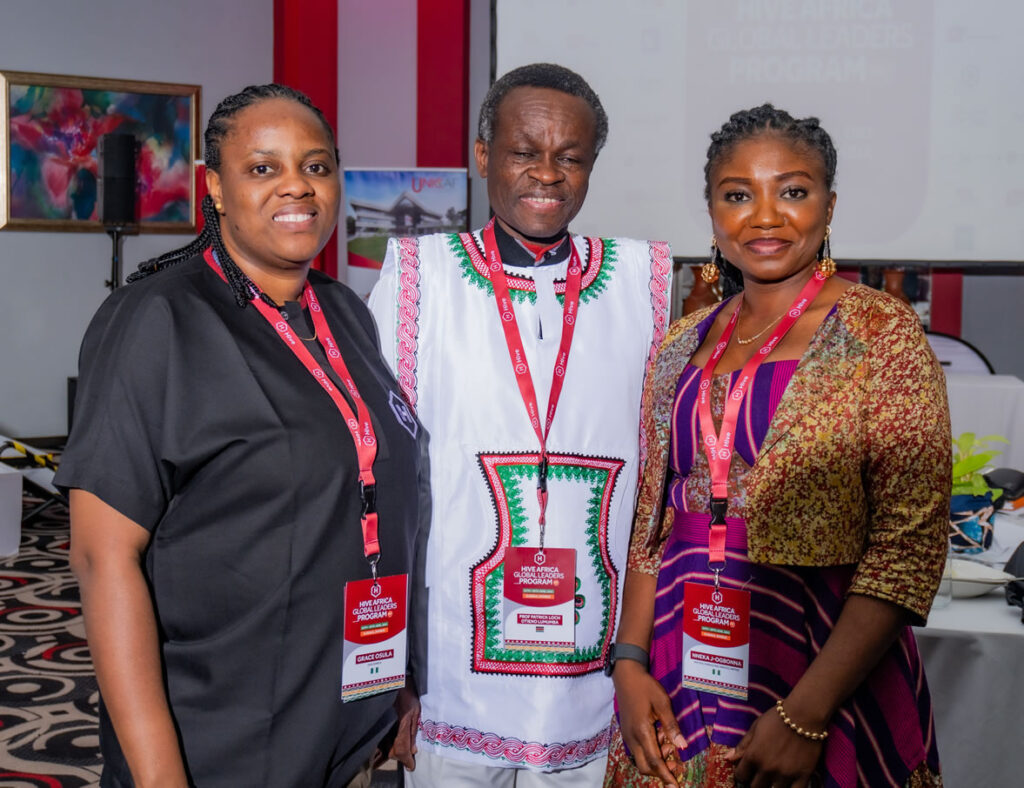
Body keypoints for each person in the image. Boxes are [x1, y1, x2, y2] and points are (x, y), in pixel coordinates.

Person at [55, 84, 429, 788]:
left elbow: (375, 501)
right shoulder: (158, 319)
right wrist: (160, 779)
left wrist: (395, 683)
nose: (297, 185)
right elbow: (103, 560)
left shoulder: (346, 313)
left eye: (316, 166)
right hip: (220, 745)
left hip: (347, 733)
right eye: (263, 168)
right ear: (215, 188)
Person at [605, 104, 950, 788]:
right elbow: (653, 518)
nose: (765, 217)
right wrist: (629, 662)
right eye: (738, 196)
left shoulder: (880, 331)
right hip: (678, 652)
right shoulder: (682, 342)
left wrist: (808, 713)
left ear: (829, 206)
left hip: (820, 662)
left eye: (792, 191)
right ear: (712, 214)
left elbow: (907, 548)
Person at [367, 63, 672, 786]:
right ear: (483, 156)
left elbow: (664, 482)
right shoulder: (421, 277)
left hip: (596, 662)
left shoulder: (642, 281)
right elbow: (377, 478)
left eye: (571, 156)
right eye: (523, 151)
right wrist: (388, 672)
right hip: (449, 662)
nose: (547, 173)